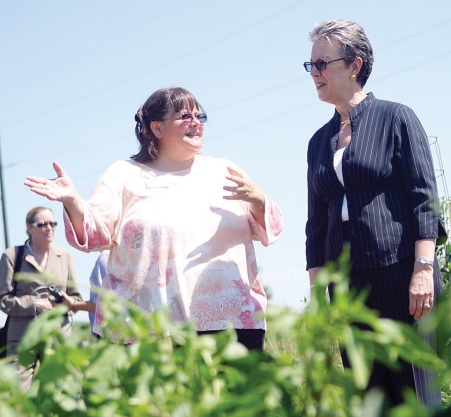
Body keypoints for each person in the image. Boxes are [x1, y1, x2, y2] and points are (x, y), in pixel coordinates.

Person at [25, 87, 283, 351]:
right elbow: (93, 235)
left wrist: (258, 199)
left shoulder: (224, 170)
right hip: (149, 328)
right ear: (157, 128)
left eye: (199, 116)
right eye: (185, 116)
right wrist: (72, 201)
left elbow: (269, 228)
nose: (196, 123)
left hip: (232, 324)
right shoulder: (124, 174)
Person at [303, 20, 446, 408]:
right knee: (370, 396)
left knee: (415, 390)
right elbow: (316, 224)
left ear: (354, 64)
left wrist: (422, 269)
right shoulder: (319, 142)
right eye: (310, 65)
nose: (314, 73)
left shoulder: (397, 118)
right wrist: (319, 294)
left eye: (322, 63)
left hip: (400, 272)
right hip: (347, 282)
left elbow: (424, 199)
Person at [0, 206, 82, 391]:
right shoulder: (12, 255)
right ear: (29, 227)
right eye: (42, 224)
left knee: (61, 393)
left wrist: (69, 302)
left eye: (52, 224)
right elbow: (3, 299)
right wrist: (34, 305)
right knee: (16, 396)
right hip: (22, 339)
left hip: (58, 337)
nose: (49, 228)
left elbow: (76, 297)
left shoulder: (64, 256)